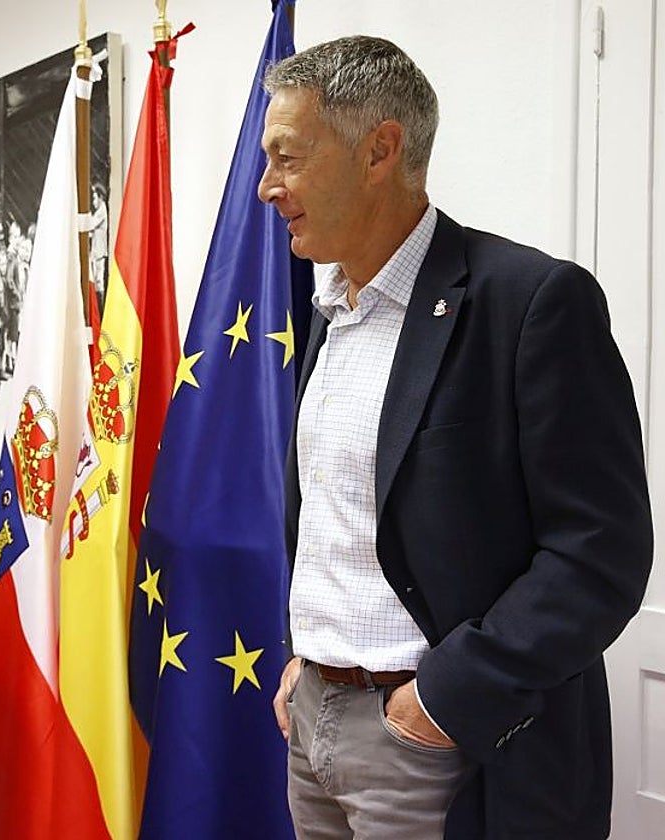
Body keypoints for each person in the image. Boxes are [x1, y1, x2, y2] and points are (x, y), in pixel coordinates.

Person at [260, 37, 652, 839]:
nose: (269, 187)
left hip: (441, 744)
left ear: (380, 150)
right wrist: (308, 659)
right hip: (313, 727)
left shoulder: (532, 303)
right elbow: (335, 521)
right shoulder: (325, 311)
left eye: (288, 159)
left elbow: (598, 553)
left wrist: (440, 700)